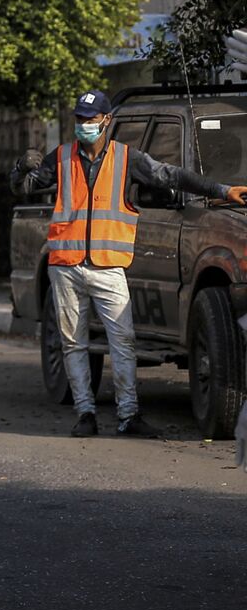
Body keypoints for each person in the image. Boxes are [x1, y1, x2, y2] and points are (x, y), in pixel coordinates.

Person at [15, 90, 247, 437]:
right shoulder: (60, 158)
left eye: (91, 119)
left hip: (109, 268)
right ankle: (86, 414)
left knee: (123, 342)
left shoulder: (127, 159)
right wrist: (20, 166)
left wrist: (221, 189)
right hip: (66, 266)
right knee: (74, 343)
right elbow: (25, 187)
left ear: (106, 121)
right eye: (79, 119)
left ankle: (128, 416)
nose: (84, 125)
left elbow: (171, 176)